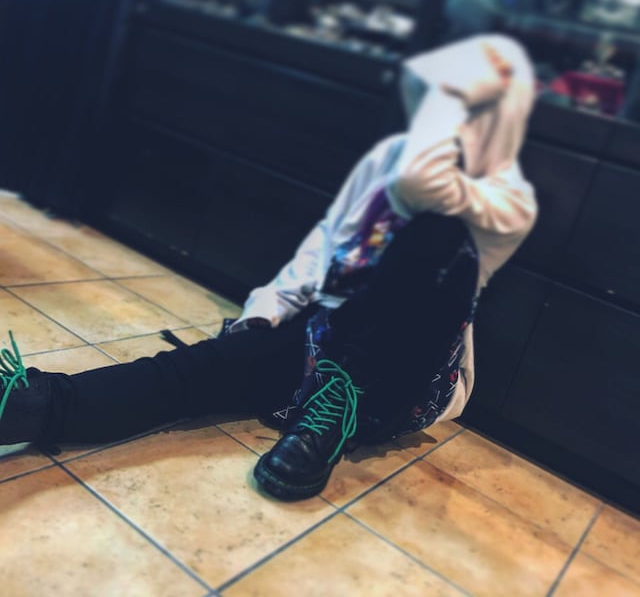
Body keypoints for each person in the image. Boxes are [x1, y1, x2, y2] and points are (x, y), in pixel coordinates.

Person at [0, 34, 537, 501]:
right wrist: (268, 310)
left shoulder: (507, 200)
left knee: (434, 235)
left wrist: (446, 124)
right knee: (194, 372)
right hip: (324, 334)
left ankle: (332, 412)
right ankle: (30, 406)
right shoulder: (391, 155)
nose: (439, 114)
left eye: (462, 104)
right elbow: (328, 242)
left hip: (405, 373)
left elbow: (422, 188)